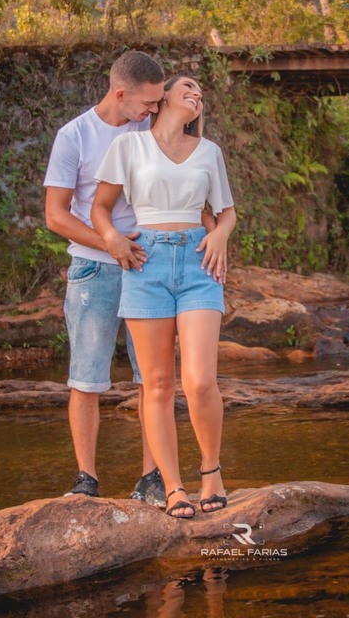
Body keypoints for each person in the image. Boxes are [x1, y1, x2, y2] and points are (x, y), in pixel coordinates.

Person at [91, 75, 236, 519]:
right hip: (145, 263)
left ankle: (211, 472)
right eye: (188, 86)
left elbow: (226, 213)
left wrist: (220, 238)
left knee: (199, 382)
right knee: (155, 384)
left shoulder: (210, 152)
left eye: (201, 92)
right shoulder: (128, 148)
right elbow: (100, 207)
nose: (197, 93)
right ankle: (173, 487)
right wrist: (113, 239)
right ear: (162, 98)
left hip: (198, 261)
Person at [43, 50, 168, 505]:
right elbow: (55, 216)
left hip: (149, 267)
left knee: (152, 378)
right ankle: (86, 479)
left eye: (157, 104)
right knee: (86, 377)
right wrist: (110, 242)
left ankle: (152, 478)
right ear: (120, 93)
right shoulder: (74, 136)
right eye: (148, 103)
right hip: (93, 268)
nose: (153, 111)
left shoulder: (152, 129)